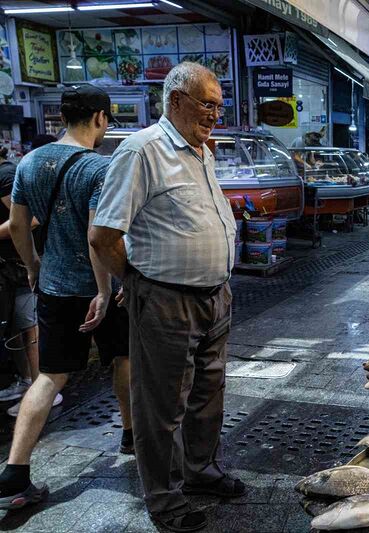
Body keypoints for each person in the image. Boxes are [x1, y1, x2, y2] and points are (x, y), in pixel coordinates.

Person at [89, 62, 242, 533]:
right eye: (207, 103)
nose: (215, 113)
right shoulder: (142, 151)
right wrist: (136, 282)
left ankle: (201, 471)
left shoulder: (201, 152)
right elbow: (103, 234)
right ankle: (163, 497)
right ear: (176, 99)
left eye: (219, 104)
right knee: (161, 406)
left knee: (207, 395)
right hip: (165, 299)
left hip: (214, 297)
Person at [0, 84, 133, 510]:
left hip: (54, 288)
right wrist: (104, 287)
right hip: (102, 291)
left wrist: (34, 265)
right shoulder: (100, 167)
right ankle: (131, 435)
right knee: (124, 359)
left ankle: (15, 470)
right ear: (99, 118)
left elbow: (19, 226)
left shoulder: (29, 162)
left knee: (50, 376)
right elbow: (99, 238)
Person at [0, 146, 46, 414]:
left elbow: (29, 220)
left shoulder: (6, 174)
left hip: (21, 263)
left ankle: (41, 389)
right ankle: (27, 381)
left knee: (30, 326)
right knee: (19, 325)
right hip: (14, 266)